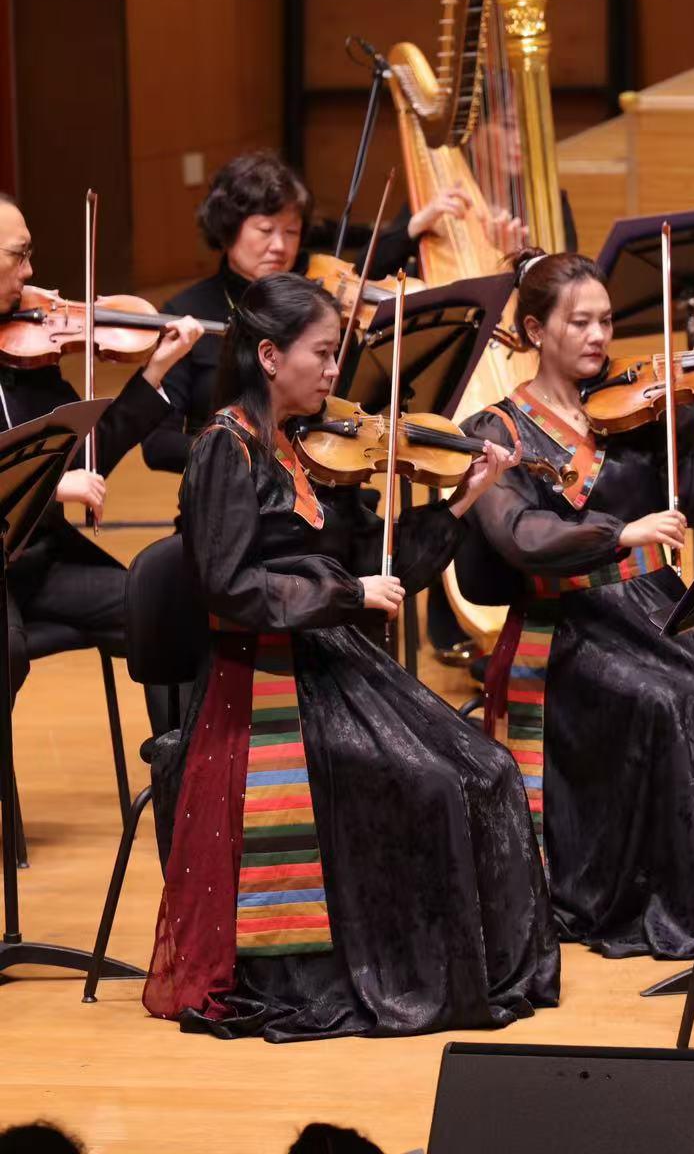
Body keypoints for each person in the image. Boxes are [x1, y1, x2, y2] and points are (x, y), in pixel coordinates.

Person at [143, 272, 558, 1041]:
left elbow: (379, 563)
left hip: (330, 662)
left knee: (488, 769)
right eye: (324, 354)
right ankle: (408, 970)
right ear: (270, 356)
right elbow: (230, 588)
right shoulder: (224, 450)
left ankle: (467, 967)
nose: (337, 373)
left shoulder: (305, 445)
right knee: (434, 783)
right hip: (263, 681)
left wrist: (463, 499)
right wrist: (344, 593)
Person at [459, 249, 694, 958]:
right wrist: (620, 533)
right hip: (565, 623)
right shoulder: (496, 430)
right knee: (667, 701)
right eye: (579, 322)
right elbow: (521, 536)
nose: (599, 336)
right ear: (534, 330)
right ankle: (674, 899)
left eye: (606, 321)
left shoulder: (635, 408)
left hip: (651, 603)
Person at [142, 151, 466, 473]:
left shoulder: (316, 297)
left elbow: (368, 270)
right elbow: (158, 445)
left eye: (291, 232)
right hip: (233, 489)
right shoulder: (185, 312)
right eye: (265, 230)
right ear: (228, 230)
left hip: (330, 482)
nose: (280, 246)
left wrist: (412, 229)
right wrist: (247, 454)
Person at [0, 194, 204, 703]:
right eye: (18, 255)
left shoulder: (26, 347)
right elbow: (56, 477)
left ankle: (178, 753)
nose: (30, 272)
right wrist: (49, 484)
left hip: (39, 562)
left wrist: (156, 370)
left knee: (162, 611)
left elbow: (88, 458)